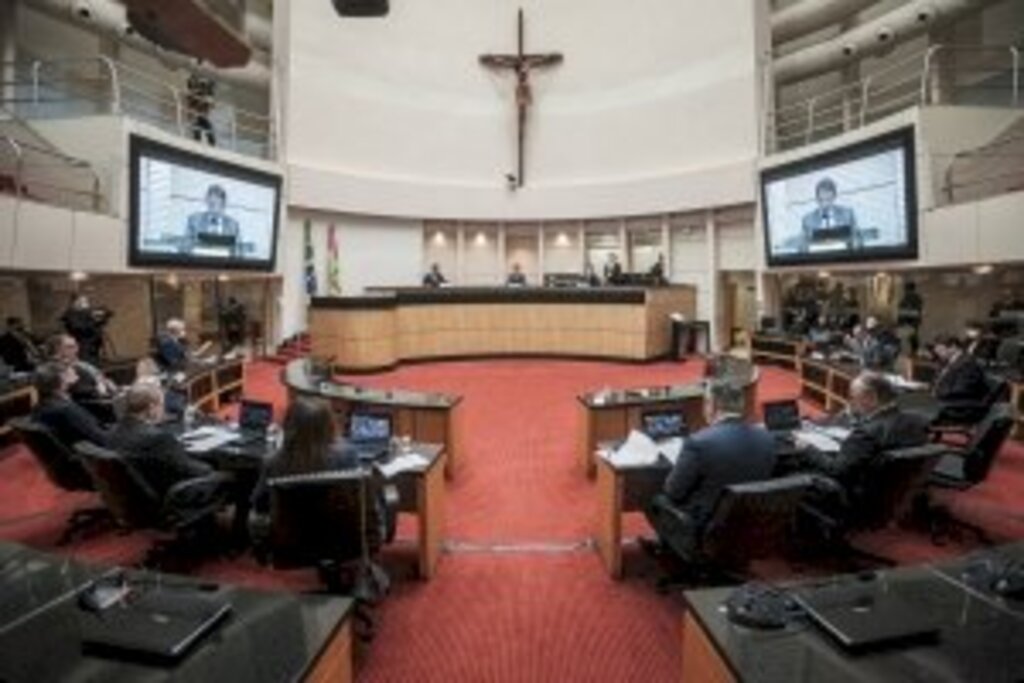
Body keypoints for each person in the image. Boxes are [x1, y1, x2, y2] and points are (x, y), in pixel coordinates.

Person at [643, 381, 776, 560]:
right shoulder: (766, 438)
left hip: (705, 524)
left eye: (706, 402)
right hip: (749, 522)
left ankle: (674, 551)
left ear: (712, 406)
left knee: (653, 497)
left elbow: (673, 492)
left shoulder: (699, 442)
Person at [801, 372, 929, 496]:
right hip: (895, 490)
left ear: (871, 398)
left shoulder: (866, 433)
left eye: (854, 397)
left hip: (859, 498)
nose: (851, 403)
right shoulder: (917, 421)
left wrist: (807, 448)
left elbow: (836, 470)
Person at [251, 397, 362, 515]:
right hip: (337, 529)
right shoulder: (347, 455)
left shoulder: (273, 462)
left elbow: (259, 504)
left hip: (289, 530)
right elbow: (357, 499)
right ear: (328, 425)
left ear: (288, 425)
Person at [110, 382, 216, 500]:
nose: (163, 410)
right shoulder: (160, 439)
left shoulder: (113, 432)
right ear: (151, 408)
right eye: (161, 405)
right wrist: (213, 467)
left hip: (136, 494)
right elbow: (190, 469)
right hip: (172, 493)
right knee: (230, 476)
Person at [31, 362, 111, 448]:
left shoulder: (38, 407)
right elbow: (104, 439)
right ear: (61, 381)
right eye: (66, 374)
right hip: (102, 450)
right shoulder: (67, 409)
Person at [47, 333, 117, 405]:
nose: (76, 350)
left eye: (76, 346)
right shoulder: (58, 369)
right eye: (70, 347)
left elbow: (102, 378)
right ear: (57, 350)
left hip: (108, 396)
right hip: (91, 403)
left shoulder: (82, 364)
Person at [799, 178, 860, 253]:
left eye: (828, 199)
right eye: (822, 200)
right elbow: (802, 248)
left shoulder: (847, 214)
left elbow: (857, 241)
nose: (825, 204)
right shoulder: (808, 220)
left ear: (834, 197)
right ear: (817, 199)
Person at [932, 335, 990, 405]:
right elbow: (939, 381)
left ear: (953, 347)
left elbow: (962, 389)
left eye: (941, 350)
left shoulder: (967, 364)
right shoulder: (946, 362)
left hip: (960, 406)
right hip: (945, 400)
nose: (938, 354)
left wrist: (937, 394)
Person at [185, 185, 240, 256]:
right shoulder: (194, 220)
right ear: (206, 201)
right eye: (211, 204)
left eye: (217, 203)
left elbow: (238, 252)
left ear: (223, 204)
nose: (213, 207)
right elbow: (185, 248)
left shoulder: (233, 225)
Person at [60, 294, 110, 363]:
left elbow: (105, 314)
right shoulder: (71, 315)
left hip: (93, 348)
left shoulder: (86, 314)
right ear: (75, 303)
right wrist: (95, 320)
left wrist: (99, 318)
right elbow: (80, 328)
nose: (86, 304)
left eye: (86, 302)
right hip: (83, 347)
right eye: (82, 301)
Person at [186, 72, 216, 146]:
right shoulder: (194, 93)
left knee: (208, 133)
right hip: (197, 116)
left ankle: (208, 145)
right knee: (199, 132)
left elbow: (212, 105)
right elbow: (190, 100)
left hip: (202, 117)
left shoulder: (207, 95)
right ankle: (199, 144)